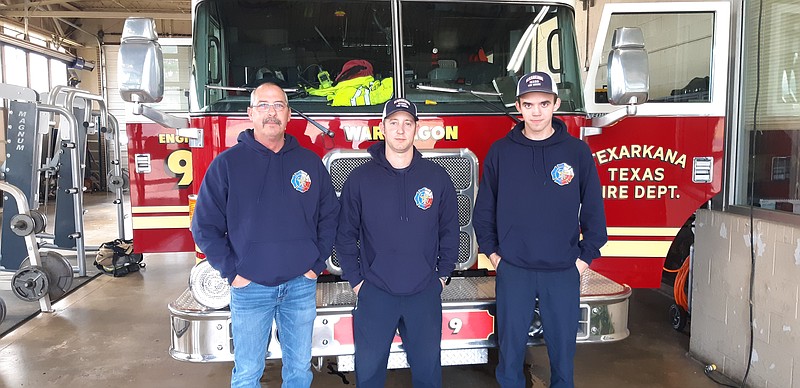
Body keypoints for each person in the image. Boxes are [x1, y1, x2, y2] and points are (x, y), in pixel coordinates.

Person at [191, 82, 340, 388]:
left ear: (288, 115)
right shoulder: (227, 165)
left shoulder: (309, 163)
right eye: (263, 105)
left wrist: (316, 263)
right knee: (247, 373)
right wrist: (232, 271)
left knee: (299, 371)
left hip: (300, 285)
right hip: (249, 288)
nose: (271, 113)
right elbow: (204, 225)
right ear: (250, 114)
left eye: (279, 106)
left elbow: (330, 215)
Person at [473, 72, 608, 388]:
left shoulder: (576, 153)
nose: (536, 112)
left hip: (562, 271)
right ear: (518, 106)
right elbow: (483, 213)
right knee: (509, 356)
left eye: (544, 103)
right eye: (529, 104)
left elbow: (594, 213)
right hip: (514, 270)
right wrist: (495, 256)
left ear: (556, 104)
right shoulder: (500, 152)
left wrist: (583, 259)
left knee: (563, 357)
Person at [336, 98, 460, 388]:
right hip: (375, 293)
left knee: (428, 376)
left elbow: (449, 232)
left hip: (424, 295)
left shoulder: (438, 178)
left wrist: (441, 277)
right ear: (382, 128)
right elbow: (344, 235)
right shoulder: (360, 179)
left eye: (407, 123)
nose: (400, 130)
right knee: (368, 376)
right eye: (393, 123)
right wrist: (356, 282)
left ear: (417, 128)